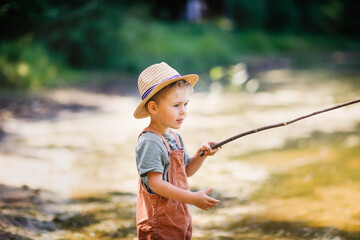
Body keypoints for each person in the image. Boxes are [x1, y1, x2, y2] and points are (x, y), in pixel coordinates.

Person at [133, 62, 221, 239]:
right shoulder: (150, 142)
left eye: (186, 104)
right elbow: (156, 184)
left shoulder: (175, 137)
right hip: (159, 225)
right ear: (153, 108)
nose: (183, 112)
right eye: (176, 106)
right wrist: (192, 198)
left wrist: (200, 155)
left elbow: (185, 171)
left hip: (178, 219)